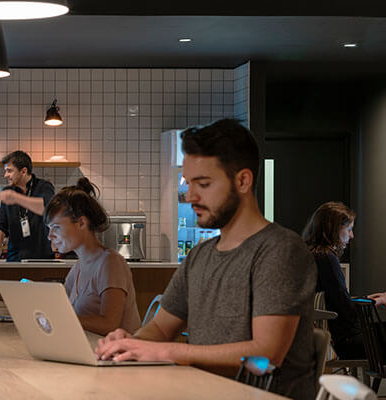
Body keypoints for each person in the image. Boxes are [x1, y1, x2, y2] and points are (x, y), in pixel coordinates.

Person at [94, 119, 316, 400]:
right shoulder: (200, 255)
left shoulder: (281, 250)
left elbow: (266, 356)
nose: (190, 196)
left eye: (204, 184)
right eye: (189, 183)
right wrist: (131, 344)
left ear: (243, 181)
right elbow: (162, 327)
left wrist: (167, 351)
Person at [45, 178, 141, 335]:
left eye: (56, 227)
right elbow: (61, 309)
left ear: (81, 223)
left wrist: (63, 317)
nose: (50, 236)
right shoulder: (77, 268)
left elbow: (110, 324)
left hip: (119, 355)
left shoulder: (110, 263)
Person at [303, 202, 363, 358]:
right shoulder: (327, 258)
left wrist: (366, 300)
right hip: (343, 341)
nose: (352, 236)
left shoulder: (311, 255)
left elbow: (338, 299)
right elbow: (344, 306)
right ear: (333, 229)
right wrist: (369, 305)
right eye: (349, 229)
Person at [0, 150, 55, 262]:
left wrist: (16, 198)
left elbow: (47, 209)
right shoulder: (8, 191)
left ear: (23, 171)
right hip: (14, 258)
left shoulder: (44, 187)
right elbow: (0, 226)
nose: (6, 175)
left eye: (9, 171)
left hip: (42, 258)